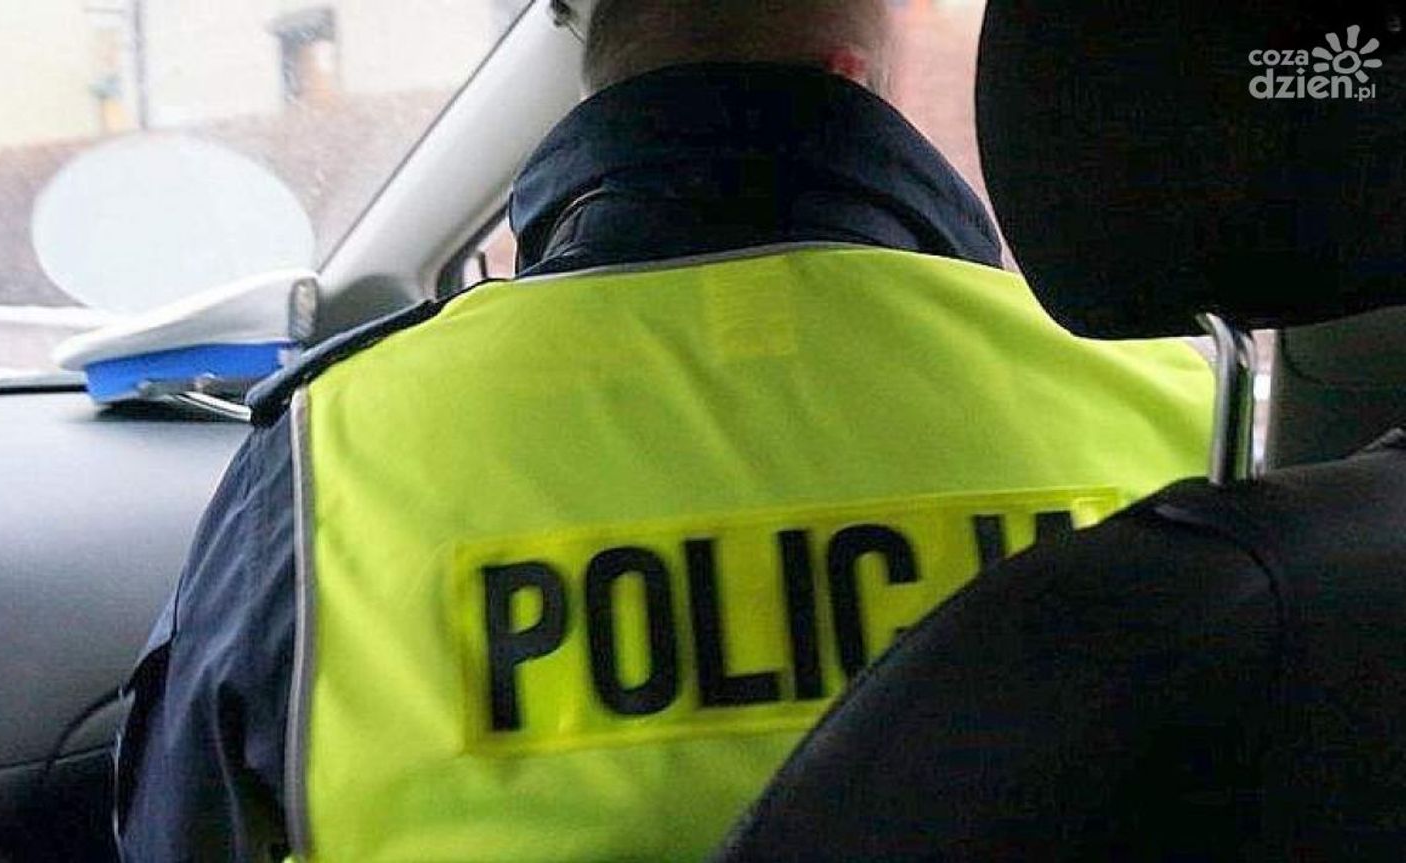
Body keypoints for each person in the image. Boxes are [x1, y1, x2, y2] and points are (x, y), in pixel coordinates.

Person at [114, 1, 1215, 859]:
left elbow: (180, 832)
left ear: (603, 91)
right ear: (851, 79)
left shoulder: (335, 448)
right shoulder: (1182, 403)